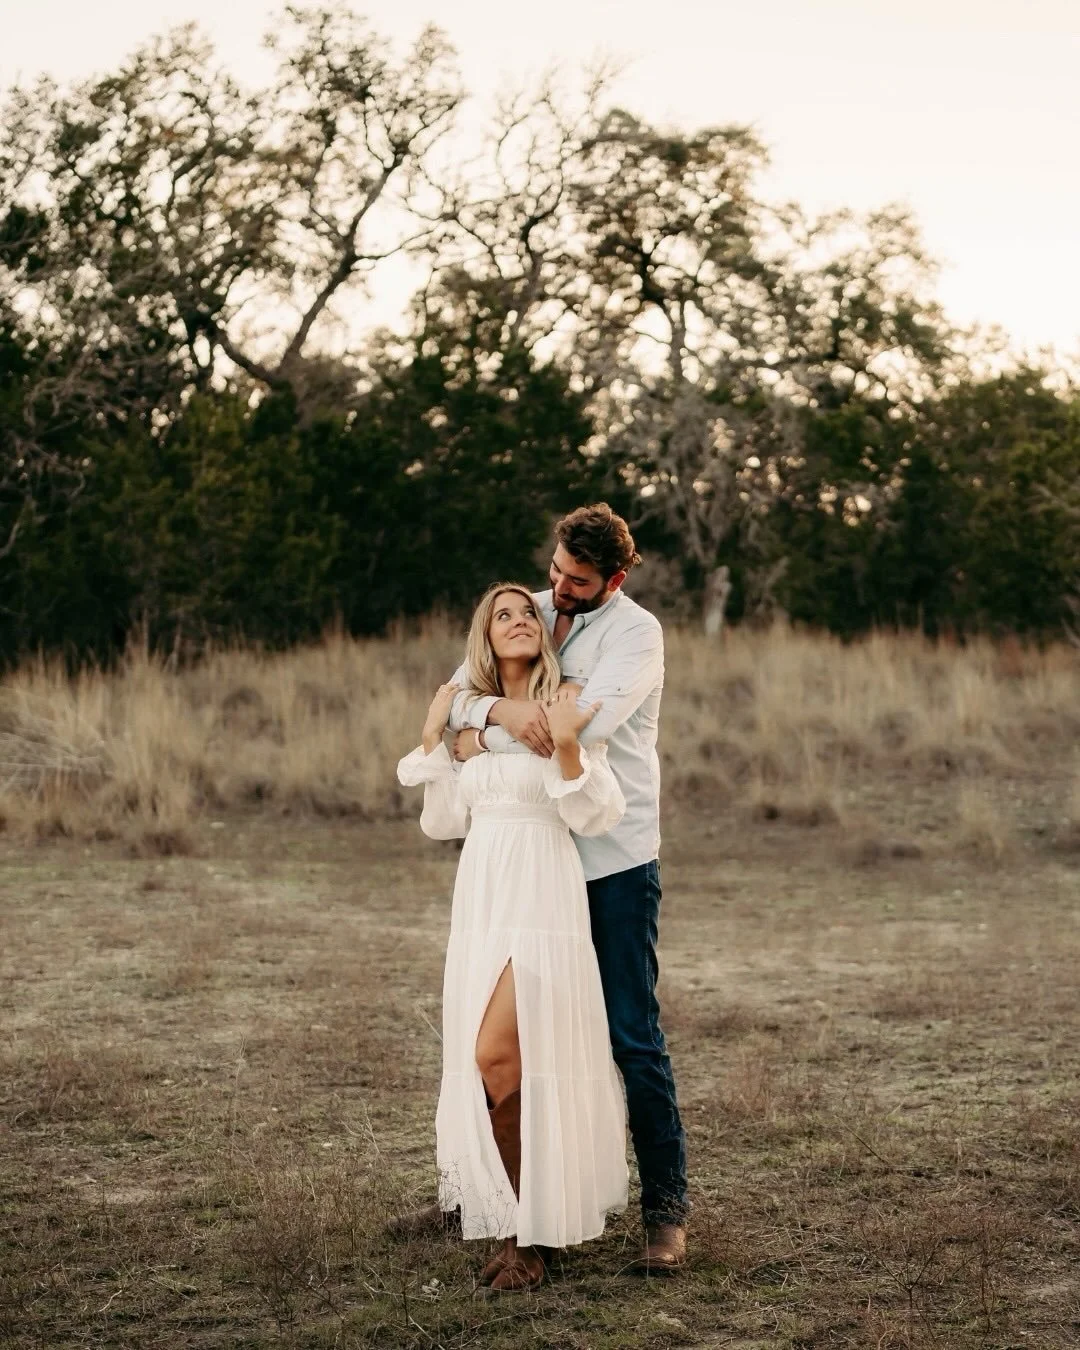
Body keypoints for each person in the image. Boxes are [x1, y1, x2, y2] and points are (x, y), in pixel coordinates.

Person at [394, 503, 689, 1274]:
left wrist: (476, 732)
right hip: (525, 868)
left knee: (627, 1036)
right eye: (555, 570)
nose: (556, 589)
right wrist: (487, 712)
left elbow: (578, 730)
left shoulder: (636, 636)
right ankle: (477, 1193)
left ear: (612, 581)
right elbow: (458, 692)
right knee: (490, 1036)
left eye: (576, 581)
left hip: (610, 858)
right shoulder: (526, 608)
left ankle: (664, 1214)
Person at [396, 582, 629, 1293]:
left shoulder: (568, 702)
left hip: (542, 894)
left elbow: (596, 814)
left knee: (499, 1053)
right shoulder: (469, 717)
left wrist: (568, 746)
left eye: (529, 612)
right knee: (496, 1068)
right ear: (486, 636)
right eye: (504, 614)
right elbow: (443, 822)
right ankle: (517, 1225)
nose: (521, 619)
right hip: (483, 896)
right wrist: (437, 739)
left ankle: (531, 1232)